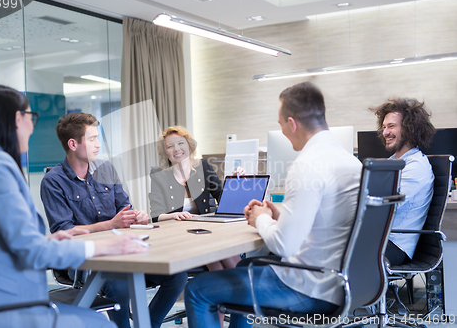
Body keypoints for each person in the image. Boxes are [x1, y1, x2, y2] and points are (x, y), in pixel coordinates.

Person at [0, 85, 147, 328]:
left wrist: (54, 238)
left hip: (4, 296)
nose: (33, 126)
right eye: (30, 116)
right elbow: (29, 251)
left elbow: (12, 242)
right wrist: (102, 247)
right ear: (17, 119)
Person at [184, 81, 363, 328]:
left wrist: (260, 217)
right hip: (346, 283)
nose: (283, 133)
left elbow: (284, 244)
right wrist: (280, 215)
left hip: (310, 288)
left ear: (292, 123)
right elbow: (328, 220)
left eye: (281, 126)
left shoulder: (307, 164)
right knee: (245, 265)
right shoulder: (351, 162)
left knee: (197, 289)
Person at [40, 113, 187, 328]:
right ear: (73, 144)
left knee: (177, 274)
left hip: (123, 251)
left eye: (98, 138)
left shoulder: (106, 169)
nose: (98, 145)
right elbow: (66, 232)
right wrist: (110, 225)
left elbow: (124, 209)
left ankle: (148, 324)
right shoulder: (53, 181)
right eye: (92, 139)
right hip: (88, 261)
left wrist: (137, 216)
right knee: (120, 286)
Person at [149, 125, 243, 271]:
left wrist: (235, 182)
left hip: (205, 230)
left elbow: (222, 197)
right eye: (170, 146)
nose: (176, 149)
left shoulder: (203, 166)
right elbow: (155, 215)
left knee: (221, 247)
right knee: (214, 248)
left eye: (181, 143)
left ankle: (239, 287)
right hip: (178, 235)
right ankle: (244, 288)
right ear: (165, 152)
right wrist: (175, 215)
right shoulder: (159, 175)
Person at [372, 98, 436, 265]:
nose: (385, 132)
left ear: (410, 129)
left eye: (391, 126)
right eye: (384, 127)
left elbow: (381, 207)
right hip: (380, 238)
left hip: (395, 245)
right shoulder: (393, 162)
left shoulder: (416, 168)